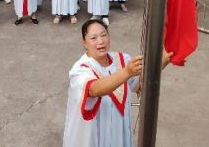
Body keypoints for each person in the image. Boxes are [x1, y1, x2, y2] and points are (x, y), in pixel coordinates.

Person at [63, 19, 172, 147]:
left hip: (118, 135)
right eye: (93, 38)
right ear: (84, 43)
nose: (100, 41)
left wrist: (162, 62)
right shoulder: (80, 69)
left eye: (104, 35)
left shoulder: (121, 59)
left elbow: (138, 85)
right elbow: (94, 89)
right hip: (93, 138)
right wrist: (127, 72)